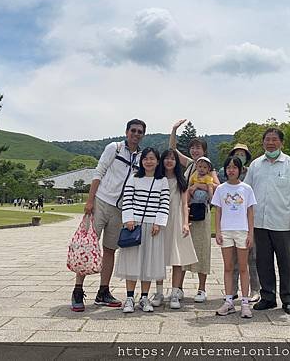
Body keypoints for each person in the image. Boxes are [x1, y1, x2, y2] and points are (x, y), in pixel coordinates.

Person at [70, 118, 145, 312]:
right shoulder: (115, 148)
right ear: (126, 131)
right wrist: (90, 200)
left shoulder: (141, 157)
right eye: (133, 130)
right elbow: (99, 171)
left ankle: (103, 291)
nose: (136, 134)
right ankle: (78, 290)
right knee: (88, 245)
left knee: (110, 249)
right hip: (102, 202)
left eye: (139, 132)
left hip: (120, 209)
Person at [244, 127, 290, 315]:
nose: (270, 143)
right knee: (263, 262)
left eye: (274, 139)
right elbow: (245, 192)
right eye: (267, 140)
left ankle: (288, 299)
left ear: (281, 143)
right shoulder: (256, 165)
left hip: (283, 222)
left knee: (285, 261)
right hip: (259, 223)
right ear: (263, 143)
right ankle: (268, 297)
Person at [170, 119, 219, 303]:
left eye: (198, 148)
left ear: (204, 150)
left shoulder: (208, 167)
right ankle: (179, 288)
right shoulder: (191, 164)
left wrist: (199, 185)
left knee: (202, 249)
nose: (195, 151)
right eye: (193, 148)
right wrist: (174, 130)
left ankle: (201, 289)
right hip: (186, 213)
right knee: (183, 249)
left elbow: (217, 186)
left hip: (202, 213)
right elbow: (173, 151)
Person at [115, 147, 170, 313]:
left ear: (157, 161)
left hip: (152, 226)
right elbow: (128, 200)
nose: (149, 161)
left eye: (152, 158)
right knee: (132, 261)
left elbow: (164, 203)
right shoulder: (134, 178)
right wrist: (129, 219)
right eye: (145, 158)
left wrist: (158, 223)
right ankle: (130, 297)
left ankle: (144, 297)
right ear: (141, 160)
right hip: (135, 225)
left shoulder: (162, 181)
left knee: (149, 262)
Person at [149, 149, 197, 310]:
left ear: (177, 162)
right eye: (167, 158)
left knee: (177, 258)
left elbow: (184, 204)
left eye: (173, 159)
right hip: (160, 221)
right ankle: (159, 292)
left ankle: (175, 292)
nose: (169, 161)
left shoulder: (180, 180)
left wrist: (185, 223)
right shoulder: (156, 179)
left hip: (176, 220)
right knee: (159, 257)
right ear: (161, 161)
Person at [213, 156, 256, 318]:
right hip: (226, 231)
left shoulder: (246, 189)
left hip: (242, 231)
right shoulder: (221, 189)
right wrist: (217, 231)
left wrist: (251, 233)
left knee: (243, 267)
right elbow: (218, 211)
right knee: (228, 267)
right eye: (228, 167)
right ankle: (229, 301)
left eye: (234, 167)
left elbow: (250, 212)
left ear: (240, 170)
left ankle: (245, 302)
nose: (231, 170)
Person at [219, 144, 260, 303]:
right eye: (237, 154)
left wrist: (251, 230)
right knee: (232, 262)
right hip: (230, 225)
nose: (240, 156)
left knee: (251, 260)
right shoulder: (227, 177)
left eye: (243, 154)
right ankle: (233, 291)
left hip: (245, 223)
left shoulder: (252, 172)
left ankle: (254, 289)